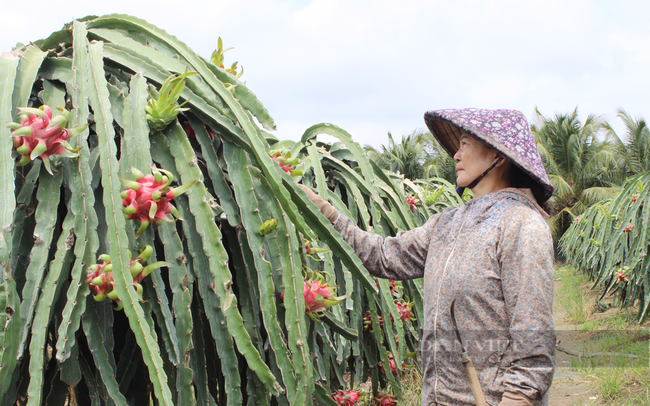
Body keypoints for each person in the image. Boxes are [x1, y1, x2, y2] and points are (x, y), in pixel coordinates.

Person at [300, 108, 555, 406]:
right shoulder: (446, 223)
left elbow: (534, 335)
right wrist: (328, 214)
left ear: (499, 156)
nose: (456, 156)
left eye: (465, 144)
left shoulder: (522, 225)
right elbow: (383, 256)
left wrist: (517, 399)